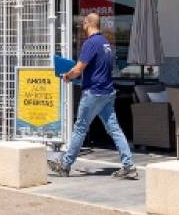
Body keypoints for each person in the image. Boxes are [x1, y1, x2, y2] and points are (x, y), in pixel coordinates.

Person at [49, 12, 136, 179]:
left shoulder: (90, 43)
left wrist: (67, 76)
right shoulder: (105, 42)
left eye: (83, 23)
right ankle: (128, 165)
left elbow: (78, 69)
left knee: (80, 128)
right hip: (107, 93)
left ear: (88, 24)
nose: (82, 26)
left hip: (93, 93)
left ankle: (65, 165)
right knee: (114, 129)